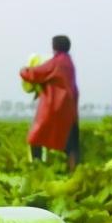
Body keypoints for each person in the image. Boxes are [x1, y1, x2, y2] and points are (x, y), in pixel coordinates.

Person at [20, 35, 80, 171]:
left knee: (35, 138)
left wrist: (23, 71)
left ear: (54, 47)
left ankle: (37, 167)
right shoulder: (69, 63)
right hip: (69, 108)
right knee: (70, 143)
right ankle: (73, 170)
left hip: (54, 106)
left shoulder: (57, 62)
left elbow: (36, 73)